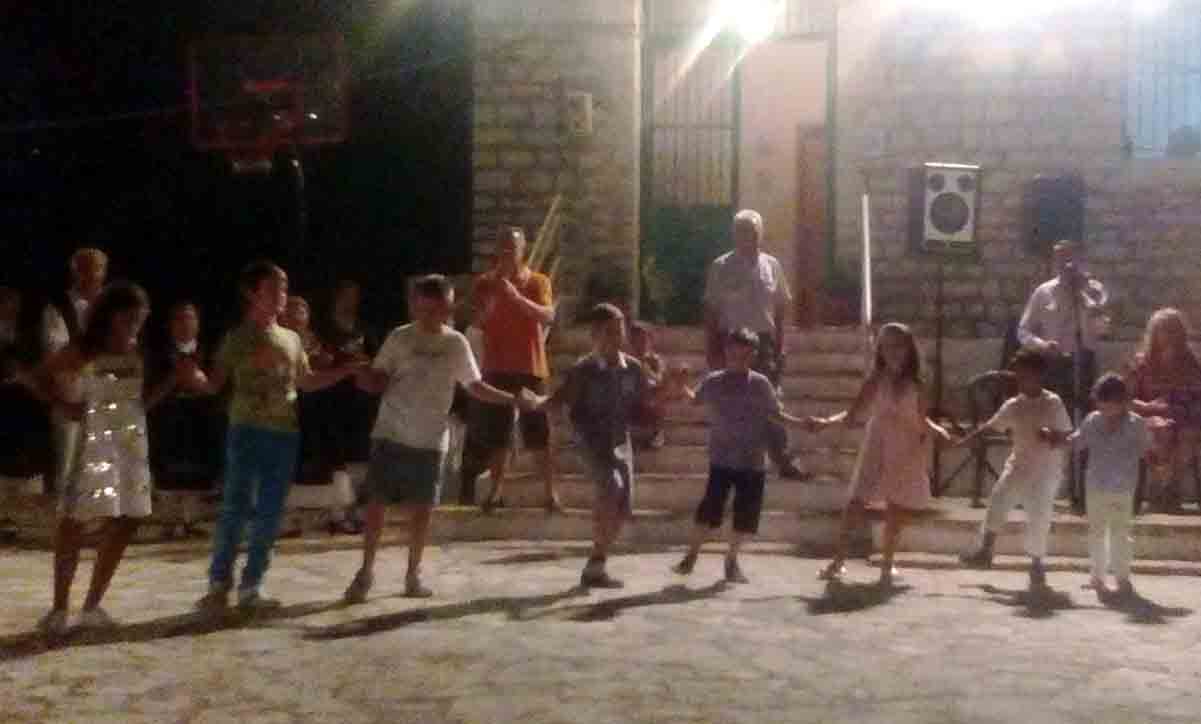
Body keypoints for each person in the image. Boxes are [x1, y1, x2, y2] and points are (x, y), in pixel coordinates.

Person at [343, 275, 533, 602]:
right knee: (376, 506)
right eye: (426, 309)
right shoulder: (399, 337)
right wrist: (361, 375)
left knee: (422, 511)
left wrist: (512, 399)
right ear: (416, 306)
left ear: (449, 307)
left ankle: (412, 575)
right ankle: (365, 572)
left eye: (440, 310)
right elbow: (379, 377)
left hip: (431, 440)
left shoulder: (456, 343)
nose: (433, 316)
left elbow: (474, 385)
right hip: (390, 433)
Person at [190, 261, 361, 613]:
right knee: (236, 507)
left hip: (284, 432)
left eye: (283, 288)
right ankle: (219, 583)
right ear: (252, 293)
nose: (282, 295)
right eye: (274, 288)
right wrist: (192, 375)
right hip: (246, 429)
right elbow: (215, 383)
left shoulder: (292, 339)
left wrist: (344, 371)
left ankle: (252, 585)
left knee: (270, 510)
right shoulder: (237, 338)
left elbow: (306, 381)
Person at [30, 283, 166, 635]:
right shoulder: (87, 347)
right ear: (112, 314)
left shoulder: (140, 349)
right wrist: (66, 406)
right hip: (96, 441)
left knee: (127, 518)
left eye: (140, 317)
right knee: (74, 520)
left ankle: (92, 605)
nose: (135, 323)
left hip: (132, 440)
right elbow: (41, 377)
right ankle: (59, 608)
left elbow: (139, 400)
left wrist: (168, 387)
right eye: (129, 316)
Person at [525, 303, 665, 588]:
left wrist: (670, 390)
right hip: (590, 439)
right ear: (595, 335)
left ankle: (596, 564)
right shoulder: (583, 369)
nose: (616, 337)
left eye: (619, 330)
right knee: (611, 486)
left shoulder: (633, 368)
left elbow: (646, 398)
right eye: (609, 332)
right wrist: (536, 403)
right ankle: (596, 561)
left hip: (619, 440)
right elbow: (560, 399)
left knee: (623, 507)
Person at [810, 323, 953, 588]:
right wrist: (826, 422)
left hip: (906, 447)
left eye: (898, 345)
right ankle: (837, 561)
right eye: (886, 346)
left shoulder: (918, 383)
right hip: (877, 443)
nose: (892, 352)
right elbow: (853, 413)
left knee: (896, 507)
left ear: (909, 348)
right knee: (856, 501)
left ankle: (887, 565)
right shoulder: (876, 380)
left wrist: (938, 432)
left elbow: (921, 419)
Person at [667, 328, 814, 583]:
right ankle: (691, 555)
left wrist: (801, 423)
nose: (739, 359)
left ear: (753, 355)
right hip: (722, 459)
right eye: (735, 353)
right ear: (727, 352)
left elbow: (775, 414)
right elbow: (695, 400)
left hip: (752, 460)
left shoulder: (760, 383)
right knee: (709, 510)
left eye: (746, 354)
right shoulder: (714, 381)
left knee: (745, 516)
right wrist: (681, 387)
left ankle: (731, 560)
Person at [955, 349, 1072, 590]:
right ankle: (985, 551)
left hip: (1046, 471)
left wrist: (1051, 436)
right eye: (1019, 374)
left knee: (1039, 516)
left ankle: (1037, 564)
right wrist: (965, 441)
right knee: (998, 500)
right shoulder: (1013, 405)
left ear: (1039, 375)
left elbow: (1066, 437)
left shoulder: (1053, 403)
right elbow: (991, 426)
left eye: (1026, 373)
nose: (1021, 379)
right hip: (1018, 465)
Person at [704, 209, 807, 480]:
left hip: (763, 342)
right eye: (740, 230)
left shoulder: (772, 265)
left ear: (760, 234)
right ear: (733, 234)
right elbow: (712, 310)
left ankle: (784, 459)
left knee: (770, 400)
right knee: (732, 403)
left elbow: (781, 308)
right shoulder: (720, 266)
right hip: (731, 341)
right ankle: (731, 461)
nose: (746, 236)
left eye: (751, 231)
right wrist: (711, 348)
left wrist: (781, 346)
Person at [470, 227, 559, 513]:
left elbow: (548, 316)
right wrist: (495, 297)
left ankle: (550, 494)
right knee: (498, 435)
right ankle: (495, 492)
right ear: (497, 250)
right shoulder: (484, 283)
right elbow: (477, 321)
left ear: (523, 250)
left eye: (514, 247)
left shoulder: (538, 281)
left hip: (531, 366)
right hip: (496, 366)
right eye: (504, 247)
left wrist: (516, 297)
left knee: (539, 434)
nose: (508, 252)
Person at [1042, 374, 1151, 599]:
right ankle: (1097, 577)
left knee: (1121, 534)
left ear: (1122, 401)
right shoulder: (1092, 420)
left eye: (1110, 404)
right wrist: (1056, 440)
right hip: (1096, 485)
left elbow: (1146, 451)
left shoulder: (1136, 424)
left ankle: (1123, 578)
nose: (1105, 409)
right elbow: (1077, 442)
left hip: (1124, 487)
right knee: (1096, 533)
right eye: (1101, 404)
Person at [1018, 240, 1108, 507]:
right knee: (1055, 421)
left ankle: (1081, 488)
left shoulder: (1094, 289)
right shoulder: (1043, 292)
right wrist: (1042, 345)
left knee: (1086, 423)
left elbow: (1103, 330)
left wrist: (1085, 298)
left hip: (1084, 361)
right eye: (1060, 259)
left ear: (1079, 259)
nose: (1065, 264)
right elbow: (1023, 330)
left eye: (1070, 258)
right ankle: (1049, 485)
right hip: (1054, 364)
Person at [43, 248, 109, 496]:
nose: (92, 275)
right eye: (85, 269)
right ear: (75, 272)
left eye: (97, 268)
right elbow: (57, 354)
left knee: (104, 471)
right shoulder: (59, 308)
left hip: (107, 399)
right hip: (71, 399)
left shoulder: (112, 307)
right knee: (68, 470)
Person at [1123, 308, 1201, 512]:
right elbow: (1126, 399)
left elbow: (1197, 396)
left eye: (1172, 330)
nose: (1167, 335)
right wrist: (1149, 407)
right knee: (1161, 431)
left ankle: (1171, 488)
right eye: (1162, 330)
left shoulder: (1190, 363)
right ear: (1154, 333)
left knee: (1187, 436)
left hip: (1182, 417)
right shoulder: (1141, 363)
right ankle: (1160, 488)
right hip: (1148, 416)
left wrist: (1179, 409)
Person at [628, 321, 666, 449]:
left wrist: (646, 371)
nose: (642, 344)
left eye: (644, 339)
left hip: (649, 397)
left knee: (658, 391)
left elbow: (660, 380)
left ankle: (657, 433)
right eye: (637, 340)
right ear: (632, 342)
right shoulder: (626, 360)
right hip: (631, 397)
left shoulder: (655, 360)